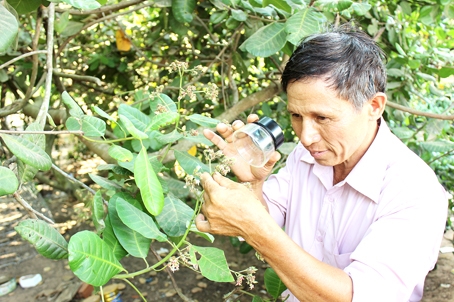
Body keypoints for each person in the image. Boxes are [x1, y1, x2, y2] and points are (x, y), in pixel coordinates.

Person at [195, 24, 448, 302]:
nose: (305, 137)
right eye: (296, 116)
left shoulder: (415, 191)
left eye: (323, 118)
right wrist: (253, 184)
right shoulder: (306, 157)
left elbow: (359, 296)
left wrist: (256, 229)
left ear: (373, 106)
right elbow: (268, 214)